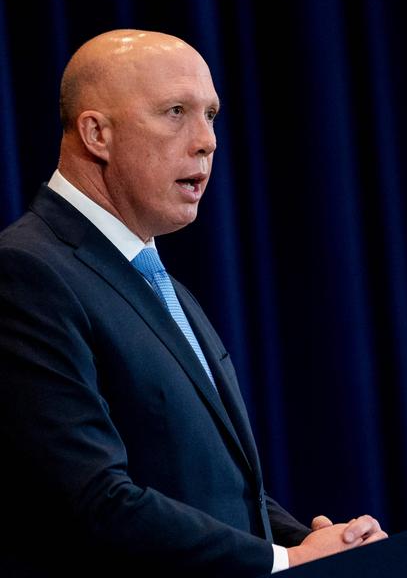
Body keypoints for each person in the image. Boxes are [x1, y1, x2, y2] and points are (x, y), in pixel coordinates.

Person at [0, 30, 386, 576]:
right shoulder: (27, 273)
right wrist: (280, 560)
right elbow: (91, 499)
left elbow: (213, 490)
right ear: (96, 133)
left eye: (211, 115)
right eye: (176, 111)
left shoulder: (157, 282)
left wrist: (316, 547)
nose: (206, 140)